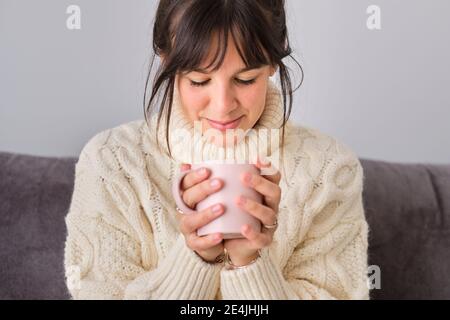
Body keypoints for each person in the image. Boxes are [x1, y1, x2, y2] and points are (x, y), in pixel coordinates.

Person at [64, 0, 369, 300]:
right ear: (166, 59)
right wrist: (195, 259)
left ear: (275, 58)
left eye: (245, 79)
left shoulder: (330, 169)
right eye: (199, 80)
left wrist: (249, 265)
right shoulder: (111, 161)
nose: (223, 107)